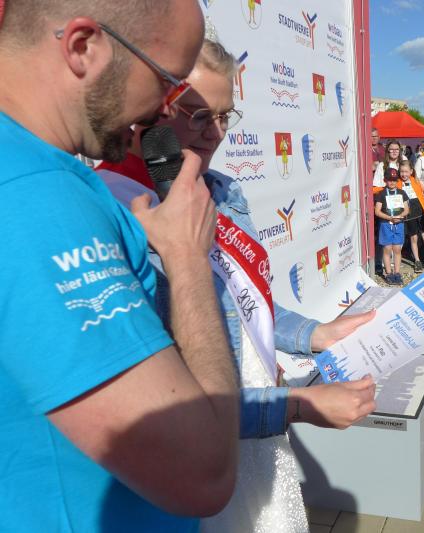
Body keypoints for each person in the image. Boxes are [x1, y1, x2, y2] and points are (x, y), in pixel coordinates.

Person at [98, 39, 378, 531]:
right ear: (147, 114)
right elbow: (159, 399)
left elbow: (246, 306)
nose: (216, 134)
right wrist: (296, 407)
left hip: (255, 437)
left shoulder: (223, 191)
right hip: (192, 464)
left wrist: (316, 333)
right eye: (198, 116)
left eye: (225, 116)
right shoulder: (112, 210)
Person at [0, 1, 244, 530]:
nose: (162, 114)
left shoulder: (35, 173)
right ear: (83, 47)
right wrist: (187, 258)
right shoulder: (36, 197)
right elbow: (203, 474)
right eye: (167, 82)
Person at [398, 160, 424, 272]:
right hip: (409, 214)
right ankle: (417, 260)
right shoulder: (398, 182)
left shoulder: (415, 181)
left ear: (411, 171)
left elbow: (422, 196)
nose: (403, 174)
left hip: (420, 212)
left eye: (406, 171)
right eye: (401, 171)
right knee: (413, 237)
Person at [375, 168, 410, 285]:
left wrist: (400, 216)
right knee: (387, 249)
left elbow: (406, 209)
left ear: (397, 181)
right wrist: (389, 218)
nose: (392, 182)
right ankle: (389, 273)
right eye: (389, 180)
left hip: (399, 224)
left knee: (397, 249)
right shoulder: (381, 194)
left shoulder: (401, 193)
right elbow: (377, 211)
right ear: (385, 180)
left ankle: (397, 272)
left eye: (394, 180)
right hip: (386, 224)